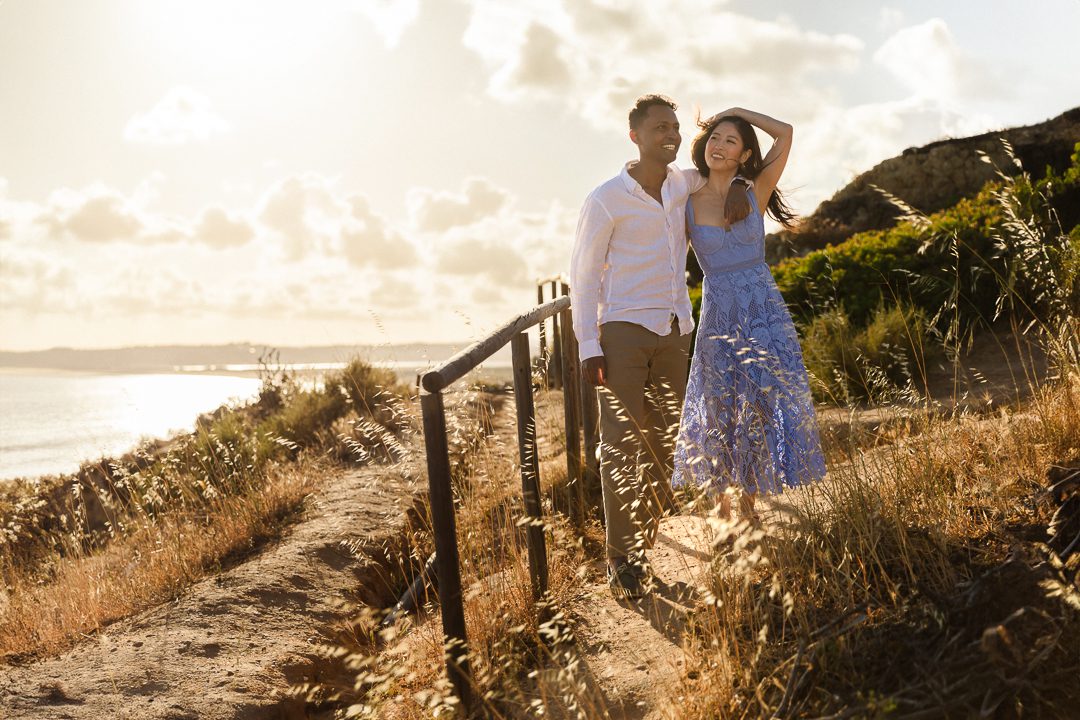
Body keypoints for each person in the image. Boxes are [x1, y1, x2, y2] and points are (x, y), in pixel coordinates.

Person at [570, 94, 706, 599]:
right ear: (635, 136)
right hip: (622, 331)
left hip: (675, 331)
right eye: (659, 128)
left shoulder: (681, 184)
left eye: (675, 127)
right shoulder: (606, 198)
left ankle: (640, 545)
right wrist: (588, 344)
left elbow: (727, 169)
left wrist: (738, 187)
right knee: (621, 444)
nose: (670, 135)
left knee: (664, 443)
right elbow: (583, 276)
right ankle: (622, 559)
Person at [671, 108, 826, 527]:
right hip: (719, 314)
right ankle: (721, 508)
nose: (719, 146)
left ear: (744, 154)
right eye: (714, 138)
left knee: (758, 407)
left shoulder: (755, 190)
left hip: (762, 312)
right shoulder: (686, 200)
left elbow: (785, 133)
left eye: (730, 140)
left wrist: (737, 111)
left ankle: (749, 505)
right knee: (720, 409)